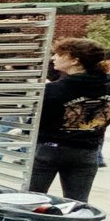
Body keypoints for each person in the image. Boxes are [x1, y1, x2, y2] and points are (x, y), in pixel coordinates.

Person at [28, 38, 110, 202]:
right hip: (87, 150)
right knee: (77, 204)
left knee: (31, 199)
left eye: (59, 54)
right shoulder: (107, 86)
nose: (53, 58)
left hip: (50, 149)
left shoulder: (54, 89)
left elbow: (37, 120)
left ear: (74, 60)